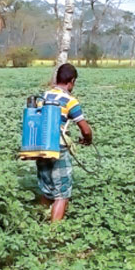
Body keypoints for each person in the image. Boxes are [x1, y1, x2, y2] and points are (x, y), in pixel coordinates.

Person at [37, 63, 93, 222]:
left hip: (41, 147)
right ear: (72, 81)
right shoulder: (70, 100)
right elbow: (86, 130)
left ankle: (38, 225)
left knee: (46, 190)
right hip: (58, 149)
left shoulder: (44, 96)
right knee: (62, 195)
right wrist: (87, 140)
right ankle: (53, 234)